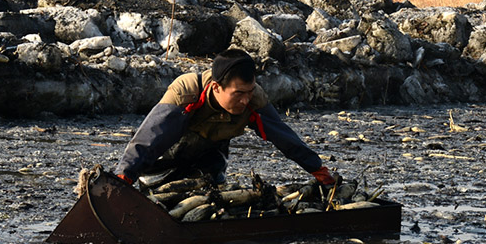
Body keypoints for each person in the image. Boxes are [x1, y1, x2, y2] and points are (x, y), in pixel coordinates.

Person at [114, 48, 335, 187]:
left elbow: (285, 138)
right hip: (169, 152)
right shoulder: (186, 91)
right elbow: (149, 138)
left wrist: (318, 169)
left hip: (211, 154)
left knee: (209, 189)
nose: (245, 101)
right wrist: (123, 177)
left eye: (249, 92)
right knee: (155, 184)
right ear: (216, 87)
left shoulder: (254, 99)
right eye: (238, 94)